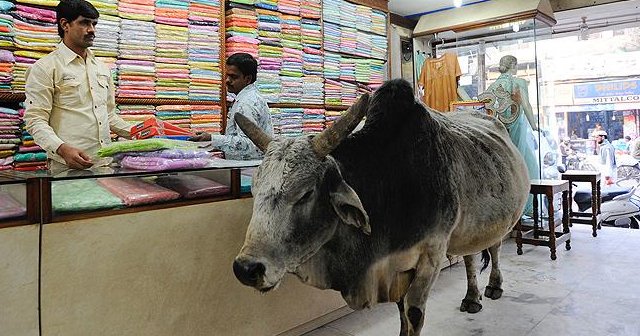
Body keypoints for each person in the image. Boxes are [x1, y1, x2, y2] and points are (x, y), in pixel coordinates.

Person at [24, 0, 130, 170]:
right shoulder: (45, 68)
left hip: (105, 164)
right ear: (65, 24)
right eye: (84, 23)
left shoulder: (102, 69)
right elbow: (35, 120)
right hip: (67, 167)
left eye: (94, 24)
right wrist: (62, 149)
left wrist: (142, 134)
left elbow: (108, 115)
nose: (92, 30)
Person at [479, 55, 539, 215]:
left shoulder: (493, 86)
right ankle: (527, 210)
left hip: (502, 130)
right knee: (528, 167)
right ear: (513, 65)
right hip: (517, 127)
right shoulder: (519, 83)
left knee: (508, 167)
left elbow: (485, 109)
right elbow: (526, 105)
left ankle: (511, 210)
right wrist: (534, 126)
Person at [189, 53, 273, 160]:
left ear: (247, 79)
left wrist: (212, 138)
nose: (227, 80)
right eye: (227, 76)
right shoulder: (248, 97)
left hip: (249, 167)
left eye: (233, 77)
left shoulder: (247, 102)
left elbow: (248, 143)